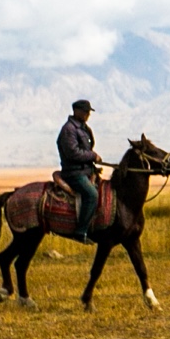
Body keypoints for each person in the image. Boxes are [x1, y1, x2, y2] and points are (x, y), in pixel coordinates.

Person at [57, 99, 103, 241]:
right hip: (74, 173)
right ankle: (80, 231)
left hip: (86, 170)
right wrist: (92, 156)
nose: (88, 114)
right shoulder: (68, 130)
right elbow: (73, 152)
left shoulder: (83, 128)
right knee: (92, 195)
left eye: (88, 112)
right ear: (77, 111)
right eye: (85, 111)